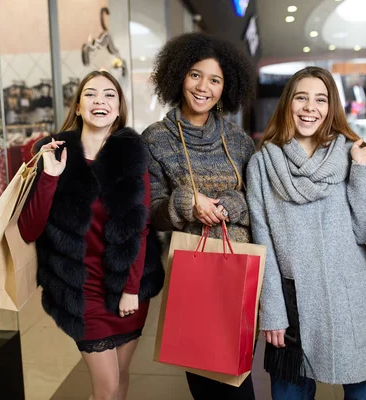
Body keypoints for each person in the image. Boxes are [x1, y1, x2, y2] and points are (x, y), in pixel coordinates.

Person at [246, 66, 366, 400]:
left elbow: (364, 230)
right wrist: (271, 311)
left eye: (320, 99)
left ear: (332, 108)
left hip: (352, 296)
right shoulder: (262, 164)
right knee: (289, 393)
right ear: (288, 103)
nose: (309, 107)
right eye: (301, 97)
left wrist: (362, 170)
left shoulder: (350, 153)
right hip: (294, 304)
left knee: (365, 391)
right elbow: (263, 242)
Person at [18, 70, 164, 400]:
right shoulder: (54, 153)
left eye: (109, 94)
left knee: (122, 377)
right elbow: (30, 228)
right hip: (81, 289)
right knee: (106, 385)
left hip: (128, 286)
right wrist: (50, 177)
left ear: (118, 107)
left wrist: (130, 289)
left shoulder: (131, 154)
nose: (100, 100)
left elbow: (140, 228)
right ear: (79, 106)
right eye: (91, 94)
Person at [142, 32, 257, 400]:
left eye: (215, 79)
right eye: (195, 74)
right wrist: (186, 205)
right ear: (178, 75)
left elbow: (257, 201)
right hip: (192, 274)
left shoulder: (239, 140)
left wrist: (231, 205)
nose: (203, 86)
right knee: (208, 383)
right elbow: (152, 210)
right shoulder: (156, 138)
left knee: (239, 378)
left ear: (227, 87)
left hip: (240, 272)